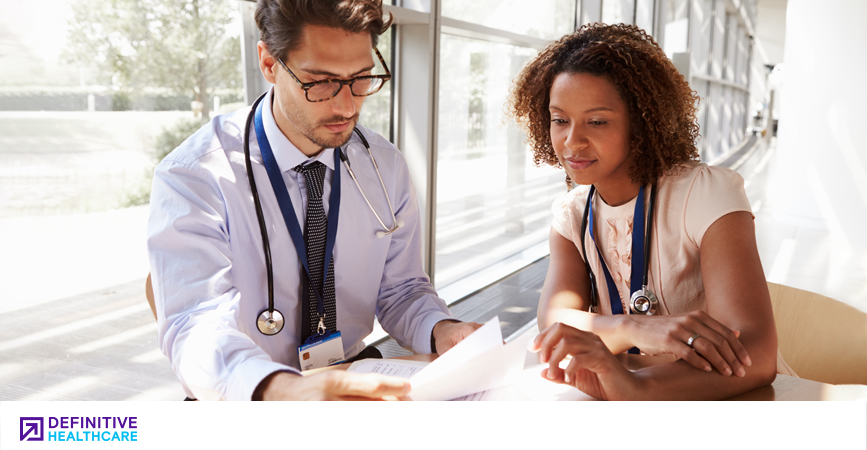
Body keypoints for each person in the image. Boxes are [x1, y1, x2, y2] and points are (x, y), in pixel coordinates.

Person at [147, 0, 479, 401]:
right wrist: (285, 391)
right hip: (249, 394)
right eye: (320, 81)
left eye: (360, 78)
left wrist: (441, 329)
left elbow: (402, 290)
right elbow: (194, 325)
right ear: (269, 63)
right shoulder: (196, 176)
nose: (346, 105)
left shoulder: (384, 166)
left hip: (352, 377)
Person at [508, 23, 793, 400]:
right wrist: (633, 329)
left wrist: (635, 387)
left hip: (731, 400)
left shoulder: (705, 196)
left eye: (597, 121)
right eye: (560, 120)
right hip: (627, 395)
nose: (571, 141)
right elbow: (555, 324)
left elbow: (755, 358)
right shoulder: (572, 215)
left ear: (642, 123)